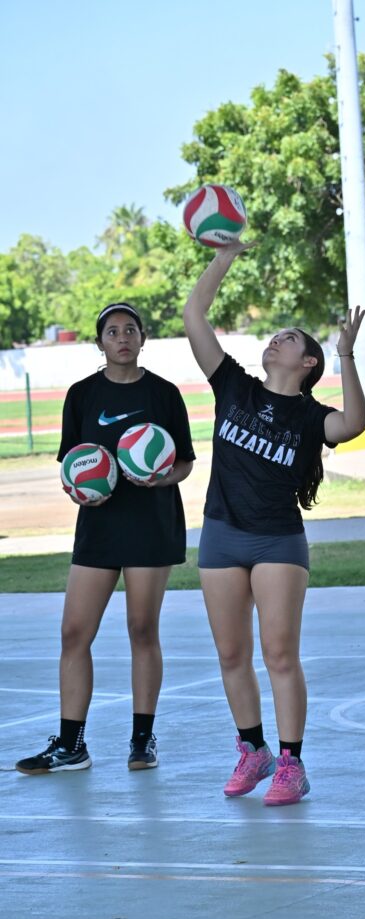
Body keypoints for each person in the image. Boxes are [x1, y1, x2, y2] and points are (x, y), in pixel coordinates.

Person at [183, 240, 365, 806]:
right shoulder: (233, 385)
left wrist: (346, 355)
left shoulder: (311, 416)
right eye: (275, 335)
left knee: (280, 654)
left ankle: (291, 762)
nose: (276, 339)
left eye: (288, 338)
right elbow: (194, 316)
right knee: (230, 654)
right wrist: (224, 258)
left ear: (307, 362)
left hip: (277, 542)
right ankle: (252, 749)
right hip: (221, 533)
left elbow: (354, 424)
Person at [16, 302, 195, 775]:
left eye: (130, 330)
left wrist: (159, 478)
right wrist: (79, 490)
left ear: (142, 338)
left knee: (142, 629)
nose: (122, 338)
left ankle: (142, 740)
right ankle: (71, 745)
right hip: (98, 527)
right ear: (100, 343)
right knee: (74, 632)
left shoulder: (164, 393)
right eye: (112, 332)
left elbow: (184, 463)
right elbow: (74, 463)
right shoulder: (81, 395)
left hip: (150, 525)